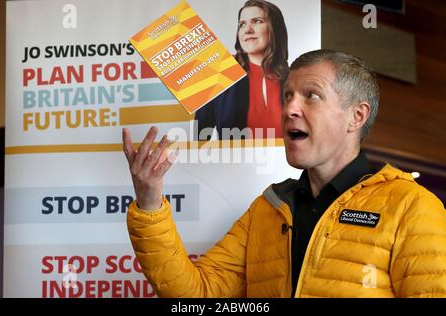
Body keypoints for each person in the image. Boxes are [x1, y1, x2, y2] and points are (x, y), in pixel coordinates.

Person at [123, 49, 446, 298]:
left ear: (356, 116)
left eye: (311, 95)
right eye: (288, 95)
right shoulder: (267, 209)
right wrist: (150, 202)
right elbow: (197, 293)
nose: (290, 108)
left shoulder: (411, 206)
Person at [195, 0, 289, 140]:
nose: (247, 29)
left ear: (275, 28)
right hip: (233, 161)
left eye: (257, 21)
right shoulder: (218, 72)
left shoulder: (293, 77)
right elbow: (200, 138)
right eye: (242, 24)